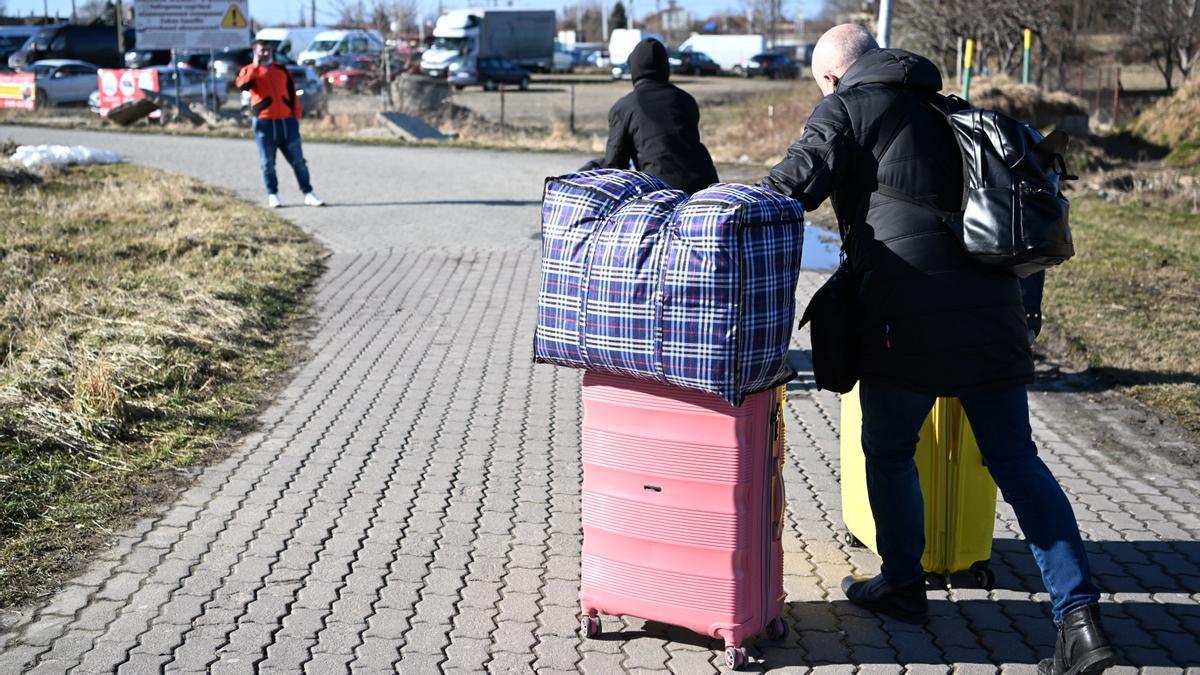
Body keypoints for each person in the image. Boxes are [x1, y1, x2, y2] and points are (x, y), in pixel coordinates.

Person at [760, 25, 1115, 675]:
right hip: (994, 318)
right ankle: (1081, 620)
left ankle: (902, 581)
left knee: (889, 451)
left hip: (906, 320)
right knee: (1017, 462)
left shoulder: (844, 107)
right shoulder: (959, 110)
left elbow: (785, 190)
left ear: (834, 78)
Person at [598, 39, 719, 194]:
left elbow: (614, 166)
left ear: (634, 67)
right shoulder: (685, 99)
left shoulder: (624, 107)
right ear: (665, 67)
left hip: (664, 194)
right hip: (706, 186)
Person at [236, 39, 324, 208]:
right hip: (264, 123)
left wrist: (295, 116)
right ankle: (273, 194)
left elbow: (292, 94)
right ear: (255, 51)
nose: (265, 53)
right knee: (267, 162)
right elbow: (242, 86)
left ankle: (308, 193)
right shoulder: (249, 71)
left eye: (268, 50)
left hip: (286, 121)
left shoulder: (281, 70)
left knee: (298, 160)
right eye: (261, 50)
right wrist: (255, 66)